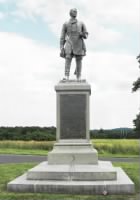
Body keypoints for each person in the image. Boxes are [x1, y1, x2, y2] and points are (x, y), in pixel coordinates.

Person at [60, 8, 88, 80]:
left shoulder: (81, 23)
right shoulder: (65, 24)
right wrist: (61, 47)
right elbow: (62, 37)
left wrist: (83, 34)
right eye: (74, 11)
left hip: (78, 43)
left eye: (76, 11)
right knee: (68, 58)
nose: (75, 12)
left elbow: (86, 34)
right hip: (69, 42)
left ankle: (78, 76)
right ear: (70, 13)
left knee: (79, 60)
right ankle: (66, 76)